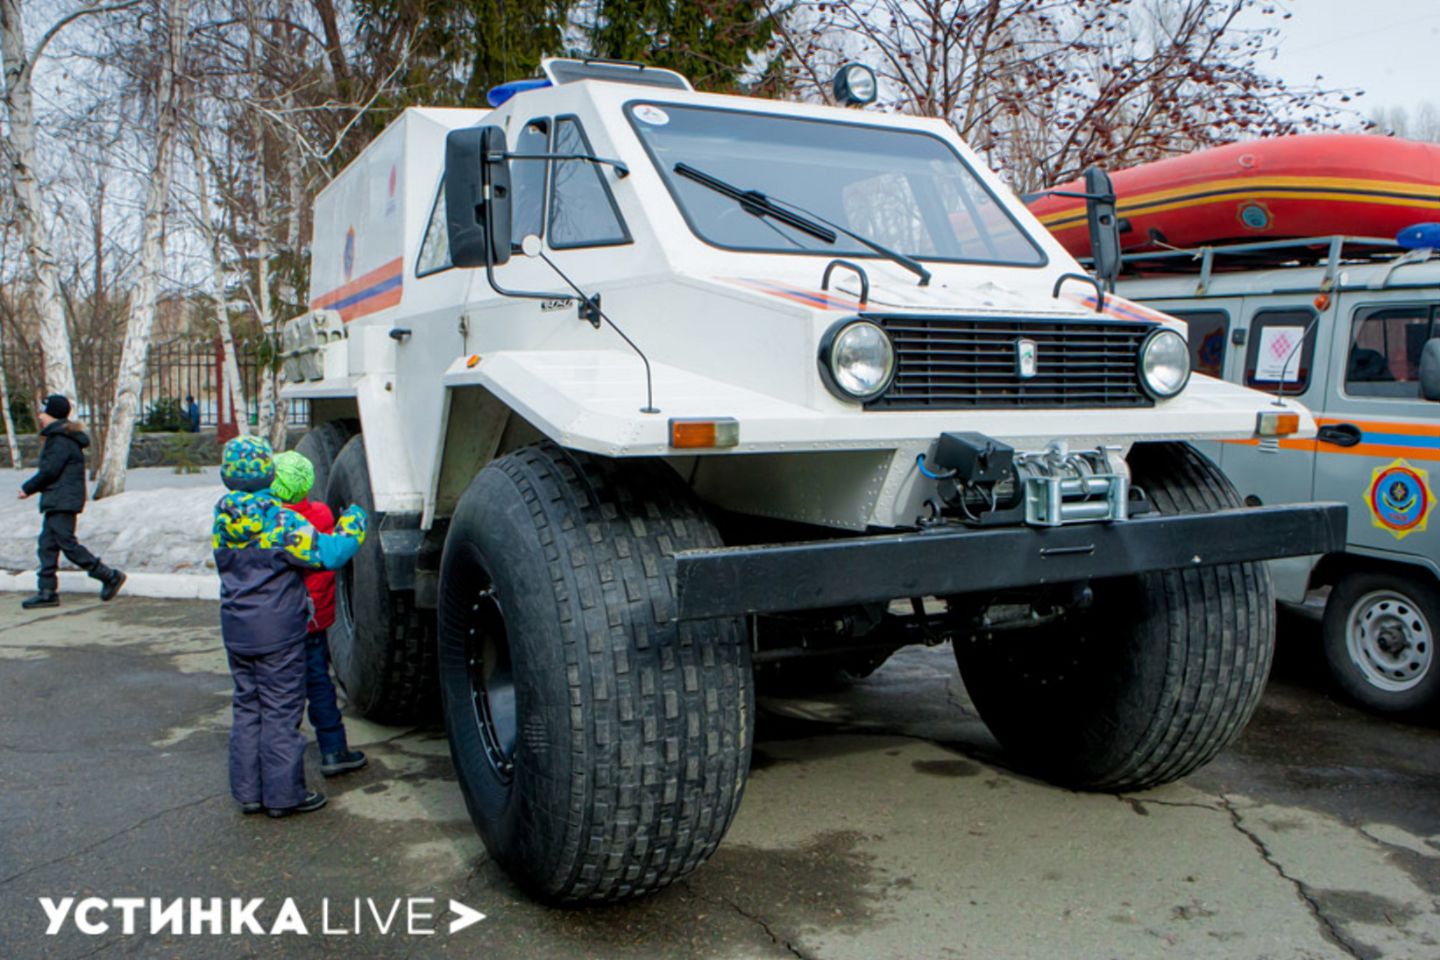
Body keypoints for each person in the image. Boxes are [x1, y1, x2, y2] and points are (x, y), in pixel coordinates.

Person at [213, 436, 368, 818]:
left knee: (248, 707)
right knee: (281, 712)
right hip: (279, 634)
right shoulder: (280, 522)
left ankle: (249, 793)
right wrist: (354, 524)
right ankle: (284, 796)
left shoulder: (223, 519)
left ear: (226, 477)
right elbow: (329, 554)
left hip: (237, 630)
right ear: (269, 473)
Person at [270, 450, 367, 778]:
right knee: (320, 686)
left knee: (282, 692)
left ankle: (280, 760)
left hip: (283, 624)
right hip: (314, 623)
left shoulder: (272, 523)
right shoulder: (321, 515)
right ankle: (334, 750)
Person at [17, 394, 125, 609]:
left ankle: (108, 575)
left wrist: (28, 488)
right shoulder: (61, 437)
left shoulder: (60, 440)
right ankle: (47, 592)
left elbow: (50, 471)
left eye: (43, 412)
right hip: (59, 499)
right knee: (47, 545)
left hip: (62, 500)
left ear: (52, 414)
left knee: (67, 544)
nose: (39, 416)